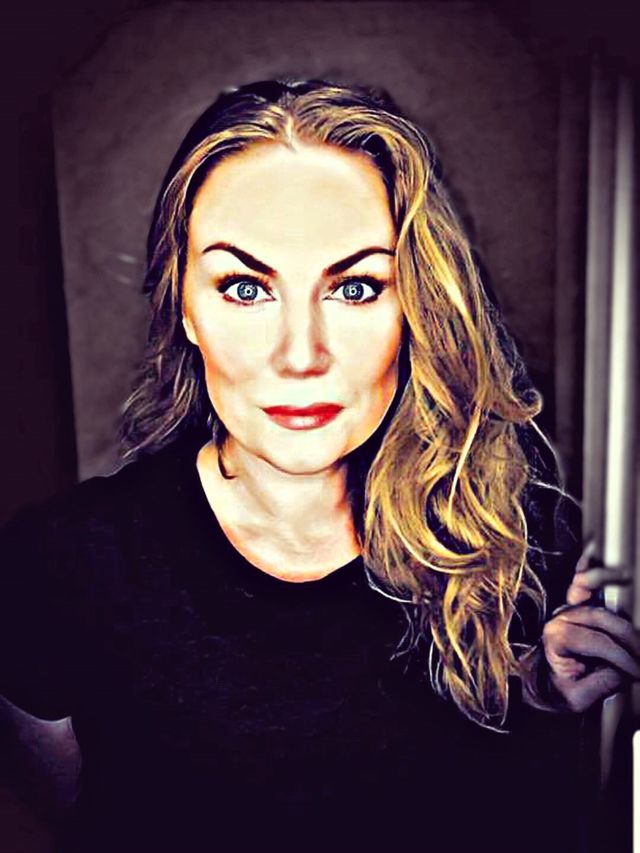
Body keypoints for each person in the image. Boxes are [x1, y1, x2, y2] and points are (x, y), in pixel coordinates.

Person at [1, 77, 637, 853]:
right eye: (245, 287)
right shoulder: (54, 567)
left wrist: (536, 693)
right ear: (185, 307)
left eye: (356, 286)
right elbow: (82, 815)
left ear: (415, 311)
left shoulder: (520, 535)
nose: (300, 355)